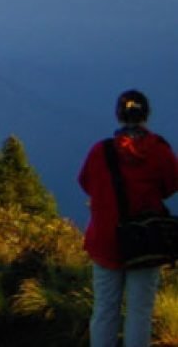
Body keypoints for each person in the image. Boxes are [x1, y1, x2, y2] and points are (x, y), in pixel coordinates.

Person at [79, 89, 178, 347]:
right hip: (145, 241)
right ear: (146, 115)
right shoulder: (159, 151)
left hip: (106, 240)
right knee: (139, 313)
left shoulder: (100, 152)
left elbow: (86, 183)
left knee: (104, 311)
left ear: (118, 116)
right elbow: (171, 185)